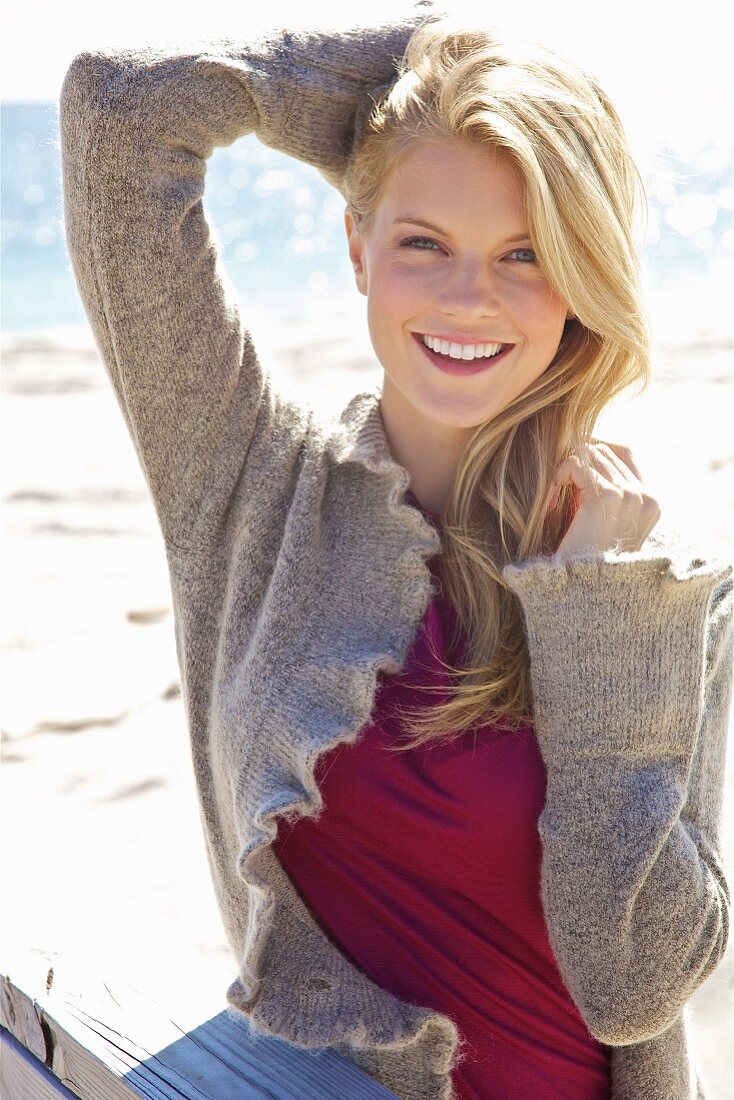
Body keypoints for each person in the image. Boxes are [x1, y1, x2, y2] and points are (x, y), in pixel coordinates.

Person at [59, 8, 732, 1099]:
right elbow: (118, 108)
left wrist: (600, 609)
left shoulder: (648, 581)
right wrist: (406, 80)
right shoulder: (247, 489)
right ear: (353, 245)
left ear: (579, 284)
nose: (469, 296)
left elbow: (631, 988)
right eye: (423, 240)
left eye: (526, 253)